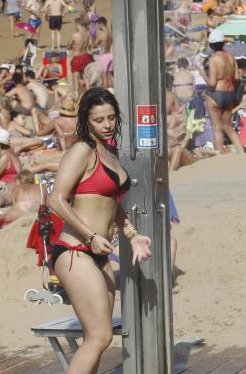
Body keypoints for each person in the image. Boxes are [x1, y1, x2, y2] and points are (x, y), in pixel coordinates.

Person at [47, 88, 152, 373]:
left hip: (98, 253)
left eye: (111, 118)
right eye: (98, 120)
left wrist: (132, 234)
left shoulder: (110, 151)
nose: (107, 125)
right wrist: (90, 237)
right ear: (86, 120)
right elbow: (56, 198)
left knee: (98, 339)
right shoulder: (82, 150)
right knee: (100, 336)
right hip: (75, 250)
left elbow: (109, 203)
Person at [200, 30, 244, 153]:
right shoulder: (231, 57)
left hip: (216, 94)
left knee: (217, 128)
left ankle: (219, 156)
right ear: (223, 43)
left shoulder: (213, 59)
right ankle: (242, 152)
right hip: (229, 94)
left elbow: (212, 84)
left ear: (211, 45)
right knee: (229, 128)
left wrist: (203, 75)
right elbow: (237, 78)